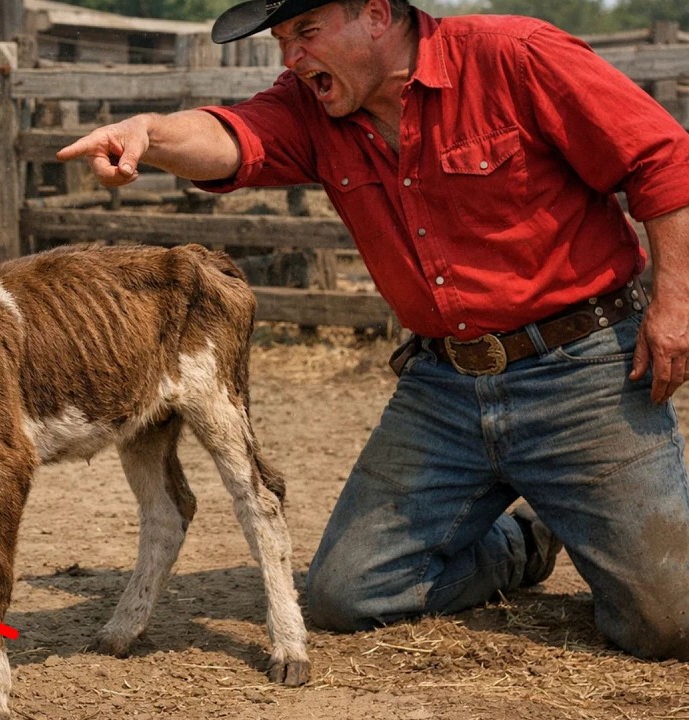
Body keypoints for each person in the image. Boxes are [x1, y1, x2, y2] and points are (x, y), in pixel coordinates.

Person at [58, 0, 689, 660]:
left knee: (669, 622)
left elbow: (663, 159)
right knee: (349, 594)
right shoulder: (311, 107)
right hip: (446, 386)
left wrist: (674, 307)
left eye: (306, 32)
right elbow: (233, 137)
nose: (291, 58)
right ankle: (525, 541)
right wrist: (149, 134)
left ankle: (596, 516)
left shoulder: (514, 56)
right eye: (282, 40)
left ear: (379, 14)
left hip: (581, 369)